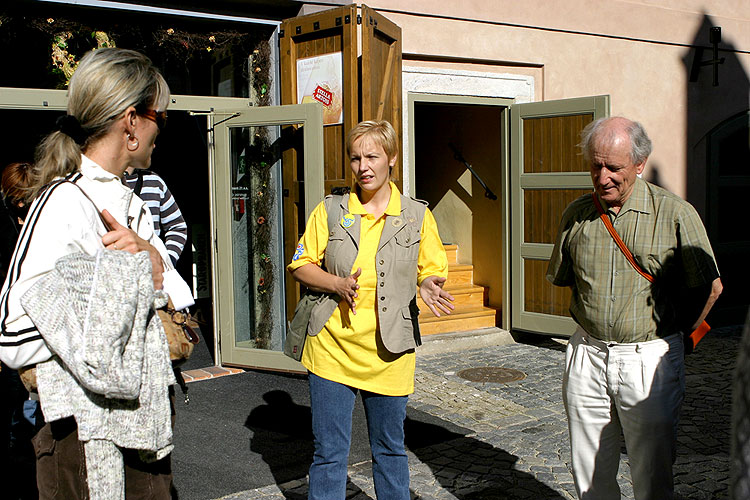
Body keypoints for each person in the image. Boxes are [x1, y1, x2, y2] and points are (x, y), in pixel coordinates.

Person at [0, 47, 177, 499]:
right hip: (82, 443)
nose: (163, 129)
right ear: (132, 121)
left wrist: (151, 261)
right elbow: (13, 335)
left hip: (140, 431)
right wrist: (105, 359)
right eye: (160, 115)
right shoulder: (64, 203)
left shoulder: (131, 204)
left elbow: (167, 304)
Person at [547, 116, 723, 499]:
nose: (603, 176)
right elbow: (566, 279)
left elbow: (710, 288)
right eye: (596, 165)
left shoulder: (675, 213)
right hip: (587, 354)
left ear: (640, 164)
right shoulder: (576, 214)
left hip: (648, 357)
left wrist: (679, 339)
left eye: (614, 167)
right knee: (588, 469)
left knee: (651, 471)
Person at [288, 120, 454, 499]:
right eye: (355, 157)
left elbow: (432, 269)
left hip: (390, 352)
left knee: (390, 450)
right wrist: (336, 283)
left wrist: (426, 283)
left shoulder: (416, 215)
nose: (363, 166)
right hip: (332, 349)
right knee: (329, 455)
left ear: (391, 159)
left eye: (372, 156)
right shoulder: (331, 210)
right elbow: (300, 264)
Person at [1, 161, 42, 500]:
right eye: (22, 198)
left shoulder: (38, 221)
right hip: (7, 318)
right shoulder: (4, 227)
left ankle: (25, 446)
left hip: (31, 315)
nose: (26, 204)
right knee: (13, 391)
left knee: (28, 391)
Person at [123, 166, 187, 266]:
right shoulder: (100, 181)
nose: (153, 149)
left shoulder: (154, 182)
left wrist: (166, 262)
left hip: (152, 274)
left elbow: (177, 226)